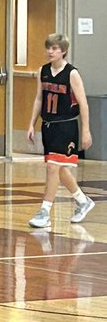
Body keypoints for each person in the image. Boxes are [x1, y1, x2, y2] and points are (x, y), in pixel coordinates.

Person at [27, 33, 94, 228]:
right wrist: (31, 123)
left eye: (55, 48)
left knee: (52, 167)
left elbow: (83, 103)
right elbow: (39, 98)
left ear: (63, 51)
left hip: (66, 125)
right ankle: (83, 201)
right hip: (48, 125)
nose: (50, 51)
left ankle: (44, 211)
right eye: (48, 48)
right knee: (60, 168)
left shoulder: (72, 73)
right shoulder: (43, 71)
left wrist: (86, 131)